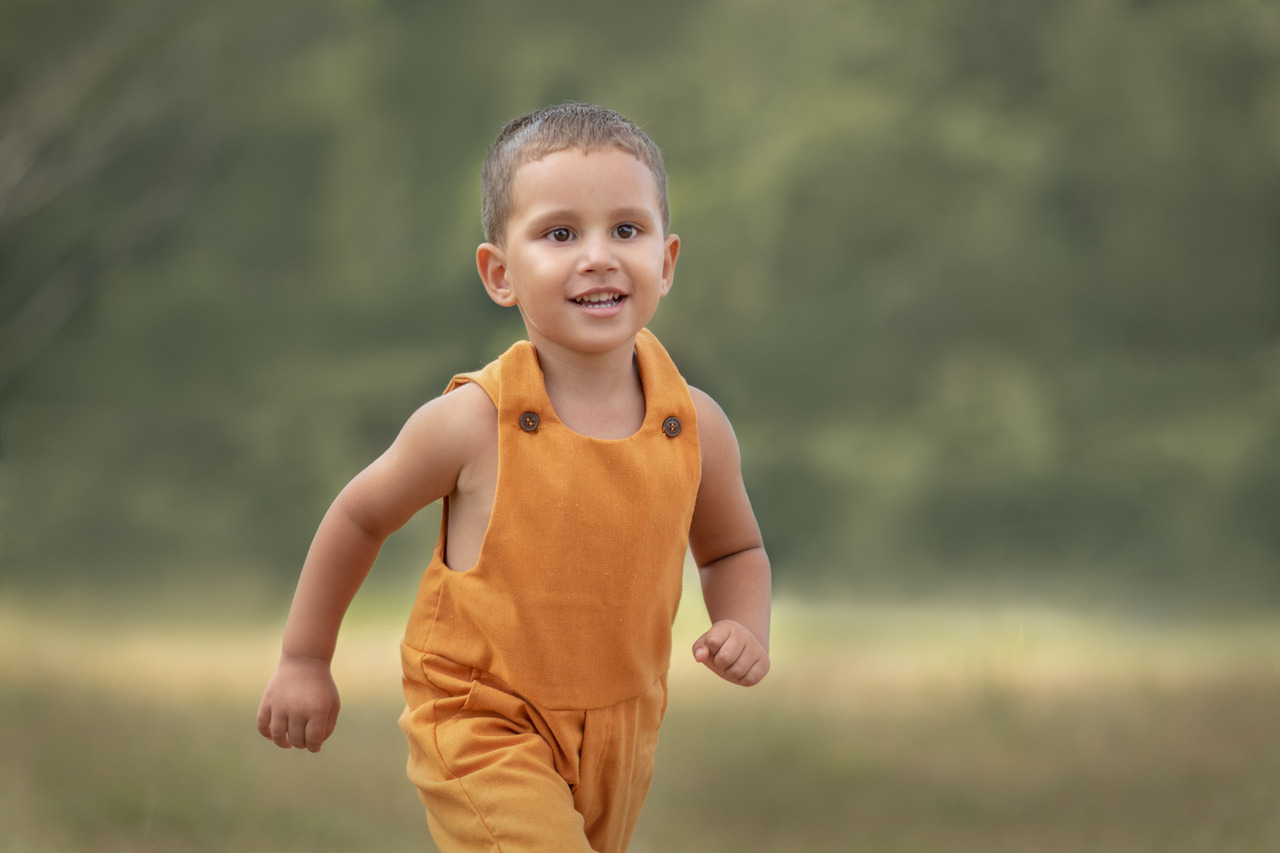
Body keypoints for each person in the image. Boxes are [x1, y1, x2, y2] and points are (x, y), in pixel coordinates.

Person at [256, 102, 771, 853]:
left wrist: (743, 622)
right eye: (560, 233)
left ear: (666, 260)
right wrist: (304, 658)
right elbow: (360, 515)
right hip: (481, 715)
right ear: (501, 273)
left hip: (624, 723)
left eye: (626, 229)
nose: (598, 255)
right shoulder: (473, 421)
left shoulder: (694, 426)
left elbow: (733, 552)